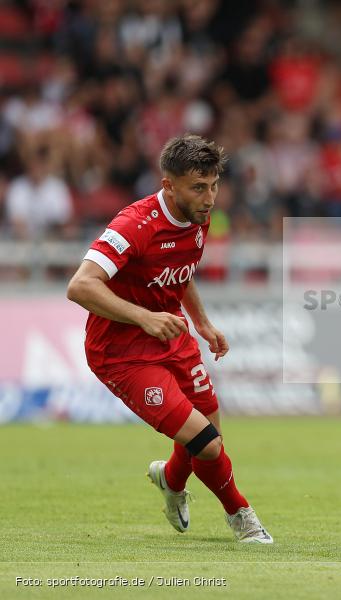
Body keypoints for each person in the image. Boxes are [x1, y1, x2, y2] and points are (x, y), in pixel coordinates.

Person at [66, 134, 273, 544]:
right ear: (168, 185)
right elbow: (80, 286)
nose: (209, 197)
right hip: (122, 353)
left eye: (214, 185)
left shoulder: (198, 214)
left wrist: (202, 323)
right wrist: (144, 318)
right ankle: (241, 515)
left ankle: (171, 480)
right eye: (198, 187)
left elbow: (180, 271)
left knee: (210, 429)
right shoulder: (134, 225)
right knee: (208, 445)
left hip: (171, 334)